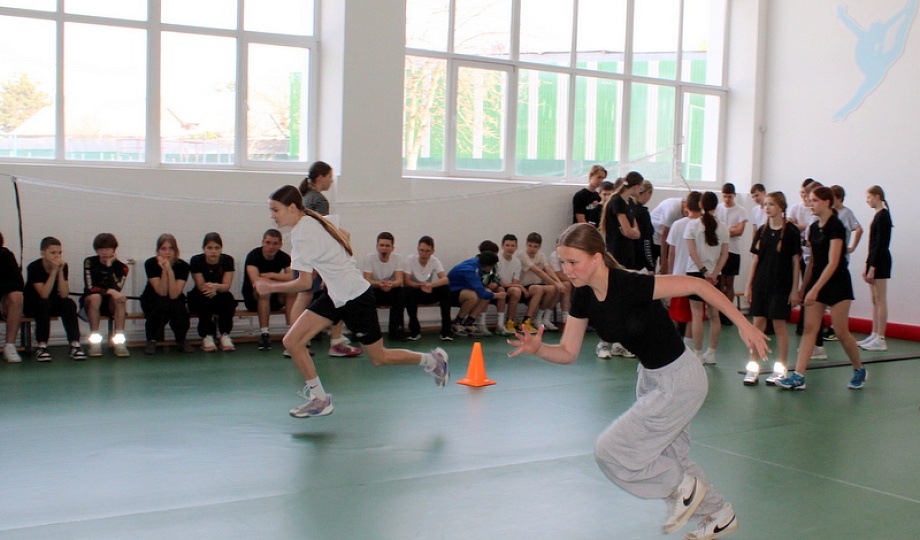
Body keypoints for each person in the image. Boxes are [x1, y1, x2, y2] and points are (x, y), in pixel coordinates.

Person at [508, 223, 768, 540]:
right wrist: (538, 349)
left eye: (573, 262)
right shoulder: (584, 296)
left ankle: (681, 486)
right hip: (650, 378)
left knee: (610, 451)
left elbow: (698, 286)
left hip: (680, 379)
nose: (567, 270)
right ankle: (719, 514)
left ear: (597, 258)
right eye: (563, 262)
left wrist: (744, 324)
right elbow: (567, 352)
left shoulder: (630, 284)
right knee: (672, 456)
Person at [255, 185, 449, 418]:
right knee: (293, 341)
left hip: (356, 297)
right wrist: (335, 267)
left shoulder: (301, 234)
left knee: (379, 357)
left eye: (275, 210)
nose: (272, 215)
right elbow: (345, 235)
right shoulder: (316, 219)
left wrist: (270, 287)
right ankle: (319, 399)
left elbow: (304, 283)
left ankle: (433, 360)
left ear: (293, 207)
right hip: (335, 296)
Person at [776, 186, 866, 390]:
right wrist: (804, 287)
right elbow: (813, 262)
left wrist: (815, 289)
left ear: (826, 202)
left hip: (838, 282)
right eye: (810, 200)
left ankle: (859, 368)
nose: (810, 204)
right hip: (817, 280)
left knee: (841, 331)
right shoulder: (814, 227)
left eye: (815, 200)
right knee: (810, 328)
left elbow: (833, 262)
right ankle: (798, 376)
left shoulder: (836, 226)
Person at [293, 161, 361, 358]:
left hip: (304, 255)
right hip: (316, 258)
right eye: (330, 177)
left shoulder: (306, 197)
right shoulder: (319, 200)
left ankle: (294, 342)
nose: (332, 181)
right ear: (321, 177)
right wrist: (319, 267)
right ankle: (336, 341)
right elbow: (324, 232)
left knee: (304, 296)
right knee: (336, 294)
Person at [742, 192, 801, 386]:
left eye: (771, 204)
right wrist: (749, 285)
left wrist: (795, 289)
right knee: (757, 325)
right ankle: (753, 367)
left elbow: (795, 262)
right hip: (761, 284)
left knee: (778, 326)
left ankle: (781, 368)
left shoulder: (791, 231)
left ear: (781, 207)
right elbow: (756, 260)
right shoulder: (762, 230)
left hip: (781, 286)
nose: (767, 208)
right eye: (766, 204)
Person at [684, 192, 729, 365]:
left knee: (697, 315)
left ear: (700, 204)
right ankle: (712, 353)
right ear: (716, 206)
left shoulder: (692, 225)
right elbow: (725, 255)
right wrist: (714, 273)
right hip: (714, 277)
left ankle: (698, 353)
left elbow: (692, 252)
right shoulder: (723, 227)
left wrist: (703, 272)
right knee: (714, 316)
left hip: (695, 273)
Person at [23, 237, 85, 361]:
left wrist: (60, 272)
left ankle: (74, 344)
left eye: (59, 253)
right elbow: (44, 294)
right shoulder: (34, 267)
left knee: (69, 303)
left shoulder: (64, 266)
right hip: (33, 304)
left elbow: (64, 294)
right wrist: (53, 272)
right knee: (44, 304)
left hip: (53, 303)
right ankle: (42, 346)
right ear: (43, 253)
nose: (57, 256)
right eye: (52, 253)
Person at [243, 229, 296, 351]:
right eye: (268, 242)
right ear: (262, 242)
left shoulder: (284, 257)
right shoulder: (253, 256)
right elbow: (256, 280)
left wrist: (272, 275)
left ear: (280, 244)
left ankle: (292, 332)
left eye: (275, 243)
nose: (271, 246)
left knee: (292, 290)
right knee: (263, 290)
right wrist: (279, 282)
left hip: (275, 297)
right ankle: (264, 334)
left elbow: (293, 277)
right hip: (253, 299)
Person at [140, 233, 193, 355]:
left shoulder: (183, 266)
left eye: (171, 248)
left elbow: (174, 294)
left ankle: (181, 339)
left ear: (176, 250)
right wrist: (164, 270)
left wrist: (170, 271)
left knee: (178, 307)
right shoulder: (150, 263)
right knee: (161, 305)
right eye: (163, 249)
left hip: (174, 296)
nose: (167, 252)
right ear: (158, 251)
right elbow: (161, 291)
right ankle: (151, 339)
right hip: (153, 297)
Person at [823, 185, 863, 341]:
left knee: (836, 293)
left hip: (840, 258)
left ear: (838, 198)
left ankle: (835, 327)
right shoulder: (829, 213)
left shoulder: (846, 213)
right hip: (827, 256)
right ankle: (829, 325)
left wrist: (852, 247)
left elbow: (859, 229)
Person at [81, 233, 130, 357]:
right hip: (91, 301)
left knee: (120, 300)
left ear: (114, 250)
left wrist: (109, 267)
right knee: (96, 297)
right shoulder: (89, 262)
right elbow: (90, 287)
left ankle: (119, 341)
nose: (104, 252)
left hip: (110, 303)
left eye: (108, 248)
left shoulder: (122, 267)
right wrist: (110, 291)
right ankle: (95, 342)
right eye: (101, 249)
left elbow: (117, 288)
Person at [187, 232, 238, 352]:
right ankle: (207, 336)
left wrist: (216, 287)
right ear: (204, 249)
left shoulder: (228, 260)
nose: (213, 251)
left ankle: (225, 335)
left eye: (217, 248)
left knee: (228, 298)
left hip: (219, 292)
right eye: (209, 248)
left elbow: (226, 286)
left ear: (221, 249)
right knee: (204, 298)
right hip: (201, 294)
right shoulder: (196, 260)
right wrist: (211, 289)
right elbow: (200, 285)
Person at [859, 185, 893, 351]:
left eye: (869, 197)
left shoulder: (883, 216)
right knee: (874, 300)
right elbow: (872, 244)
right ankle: (874, 333)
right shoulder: (878, 215)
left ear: (877, 196)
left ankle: (881, 337)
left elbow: (881, 244)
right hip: (874, 260)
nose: (867, 201)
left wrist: (873, 266)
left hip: (881, 262)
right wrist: (867, 265)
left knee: (880, 299)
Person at [666, 191, 702, 349]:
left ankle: (669, 344)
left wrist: (669, 273)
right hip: (696, 274)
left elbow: (671, 252)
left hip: (679, 274)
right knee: (694, 315)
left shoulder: (678, 224)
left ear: (686, 205)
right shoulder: (703, 225)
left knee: (674, 314)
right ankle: (687, 346)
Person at [402, 236, 453, 341]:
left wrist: (431, 285)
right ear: (418, 249)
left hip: (428, 290)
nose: (423, 253)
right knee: (407, 291)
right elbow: (406, 281)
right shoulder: (410, 260)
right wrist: (420, 286)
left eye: (427, 251)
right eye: (421, 250)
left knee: (445, 289)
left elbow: (445, 279)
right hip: (415, 291)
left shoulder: (434, 261)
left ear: (432, 251)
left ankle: (446, 331)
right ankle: (415, 331)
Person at [448, 251, 507, 337]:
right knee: (473, 296)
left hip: (463, 289)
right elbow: (481, 292)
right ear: (488, 265)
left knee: (487, 292)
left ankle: (468, 322)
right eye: (491, 266)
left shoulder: (478, 265)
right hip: (450, 293)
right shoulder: (470, 270)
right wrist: (497, 295)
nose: (491, 268)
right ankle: (456, 323)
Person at [714, 183, 749, 325]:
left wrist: (723, 231)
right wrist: (730, 230)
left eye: (729, 196)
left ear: (734, 195)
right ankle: (719, 311)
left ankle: (728, 314)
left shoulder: (741, 211)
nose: (727, 199)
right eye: (725, 196)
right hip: (718, 250)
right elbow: (714, 229)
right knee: (719, 282)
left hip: (733, 250)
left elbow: (739, 231)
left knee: (729, 282)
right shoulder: (717, 209)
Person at [517, 232, 564, 333]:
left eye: (535, 247)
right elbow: (538, 271)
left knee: (553, 289)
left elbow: (548, 268)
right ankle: (525, 321)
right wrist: (556, 283)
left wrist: (558, 282)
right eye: (530, 246)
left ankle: (539, 319)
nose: (532, 249)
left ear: (539, 246)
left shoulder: (541, 255)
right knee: (539, 289)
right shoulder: (522, 255)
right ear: (526, 244)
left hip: (539, 284)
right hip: (525, 286)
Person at [363, 232, 407, 341]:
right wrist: (379, 284)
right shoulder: (369, 258)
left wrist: (391, 285)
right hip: (375, 290)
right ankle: (371, 332)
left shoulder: (398, 258)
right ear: (377, 246)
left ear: (392, 248)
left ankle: (396, 331)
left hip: (390, 289)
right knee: (364, 294)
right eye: (382, 245)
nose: (384, 248)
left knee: (402, 292)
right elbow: (366, 280)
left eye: (387, 246)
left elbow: (399, 280)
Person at [601, 171, 643, 270]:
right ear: (636, 186)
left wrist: (634, 233)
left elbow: (636, 230)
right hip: (617, 250)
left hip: (629, 249)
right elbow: (628, 231)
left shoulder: (630, 202)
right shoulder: (617, 201)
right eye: (641, 187)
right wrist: (632, 232)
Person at [1, 231, 24, 362]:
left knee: (17, 296)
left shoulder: (6, 256)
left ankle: (9, 346)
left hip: (2, 302)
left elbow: (18, 283)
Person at [496, 234, 525, 336]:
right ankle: (500, 324)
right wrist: (517, 286)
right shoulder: (497, 260)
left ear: (516, 247)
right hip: (497, 287)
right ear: (502, 246)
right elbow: (498, 281)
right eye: (507, 245)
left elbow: (515, 282)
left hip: (510, 287)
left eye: (513, 246)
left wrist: (517, 286)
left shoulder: (517, 262)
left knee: (516, 291)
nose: (510, 248)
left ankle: (510, 322)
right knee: (501, 290)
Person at [650, 196, 686, 275]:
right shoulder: (672, 208)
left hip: (664, 236)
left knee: (667, 268)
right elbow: (664, 236)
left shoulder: (685, 211)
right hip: (654, 234)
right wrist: (664, 262)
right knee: (652, 268)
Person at [634, 180, 656, 273]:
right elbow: (646, 241)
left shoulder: (627, 209)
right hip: (638, 260)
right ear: (648, 192)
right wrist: (651, 265)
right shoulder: (642, 213)